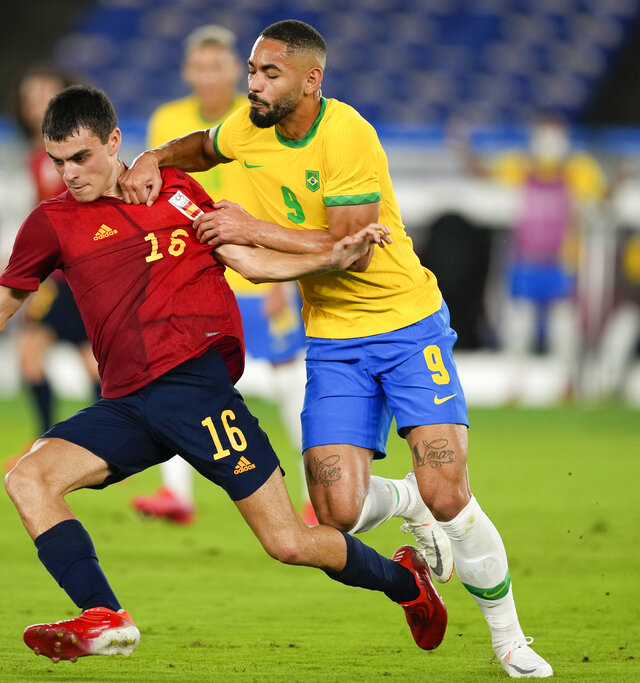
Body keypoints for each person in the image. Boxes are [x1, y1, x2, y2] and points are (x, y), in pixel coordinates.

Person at [0, 85, 445, 663]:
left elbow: (245, 260)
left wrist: (329, 256)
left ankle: (407, 584)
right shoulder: (52, 224)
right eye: (57, 161)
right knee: (28, 480)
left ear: (114, 141)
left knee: (289, 542)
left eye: (81, 158)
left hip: (197, 388)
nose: (69, 174)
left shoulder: (176, 193)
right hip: (127, 403)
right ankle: (105, 615)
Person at [119, 20, 552, 678]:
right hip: (333, 339)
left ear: (311, 80)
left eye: (269, 74)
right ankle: (406, 504)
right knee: (336, 512)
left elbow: (346, 249)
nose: (254, 84)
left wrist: (248, 229)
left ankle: (509, 638)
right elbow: (204, 147)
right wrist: (156, 157)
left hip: (406, 326)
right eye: (253, 71)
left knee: (449, 489)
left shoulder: (347, 134)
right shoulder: (249, 125)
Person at [131, 24, 316, 526]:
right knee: (175, 381)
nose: (209, 75)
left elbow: (283, 195)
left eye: (219, 66)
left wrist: (283, 277)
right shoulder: (168, 121)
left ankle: (314, 495)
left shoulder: (260, 116)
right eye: (200, 66)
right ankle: (176, 494)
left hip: (258, 272)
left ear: (236, 69)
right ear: (188, 71)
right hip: (192, 277)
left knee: (290, 387)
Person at [459, 113, 607, 397]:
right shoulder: (520, 166)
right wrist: (464, 148)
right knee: (519, 325)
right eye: (544, 133)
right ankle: (516, 385)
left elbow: (601, 196)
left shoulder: (577, 170)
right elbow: (483, 174)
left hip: (561, 261)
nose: (549, 141)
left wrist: (618, 183)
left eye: (555, 133)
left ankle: (568, 384)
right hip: (525, 259)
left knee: (564, 326)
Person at [13, 65, 100, 439]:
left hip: (83, 270)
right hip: (59, 274)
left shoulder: (77, 151)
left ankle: (103, 446)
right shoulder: (36, 155)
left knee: (93, 362)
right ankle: (48, 444)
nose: (37, 104)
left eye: (45, 94)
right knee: (31, 353)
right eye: (30, 97)